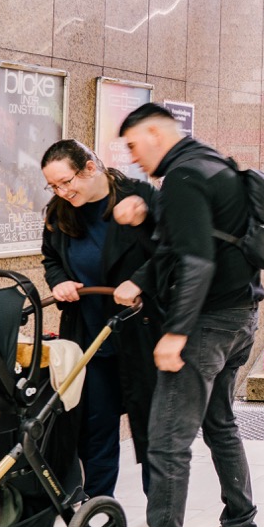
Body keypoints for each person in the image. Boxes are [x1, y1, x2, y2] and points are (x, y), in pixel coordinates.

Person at [113, 103, 263, 527]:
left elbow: (196, 260)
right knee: (220, 424)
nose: (133, 157)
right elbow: (190, 243)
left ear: (157, 133)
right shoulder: (213, 163)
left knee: (166, 441)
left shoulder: (183, 177)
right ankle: (241, 523)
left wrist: (176, 334)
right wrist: (141, 280)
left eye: (134, 145)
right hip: (241, 317)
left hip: (206, 326)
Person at [40, 140, 160, 498]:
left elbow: (174, 252)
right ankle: (97, 509)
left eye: (66, 182)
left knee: (154, 431)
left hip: (142, 331)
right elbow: (51, 258)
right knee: (94, 429)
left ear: (90, 168)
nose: (62, 192)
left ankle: (161, 523)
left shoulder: (139, 197)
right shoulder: (60, 210)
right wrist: (60, 281)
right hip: (90, 334)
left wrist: (139, 281)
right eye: (54, 186)